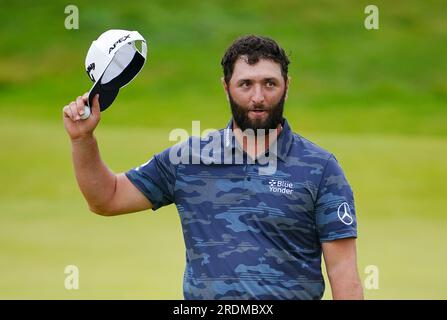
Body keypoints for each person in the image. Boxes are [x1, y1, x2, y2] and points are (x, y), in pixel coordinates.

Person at [62, 35, 363, 300]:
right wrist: (82, 139)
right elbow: (106, 198)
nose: (258, 97)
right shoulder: (188, 159)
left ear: (287, 86)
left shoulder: (320, 167)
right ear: (226, 87)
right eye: (245, 84)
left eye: (269, 83)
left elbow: (343, 272)